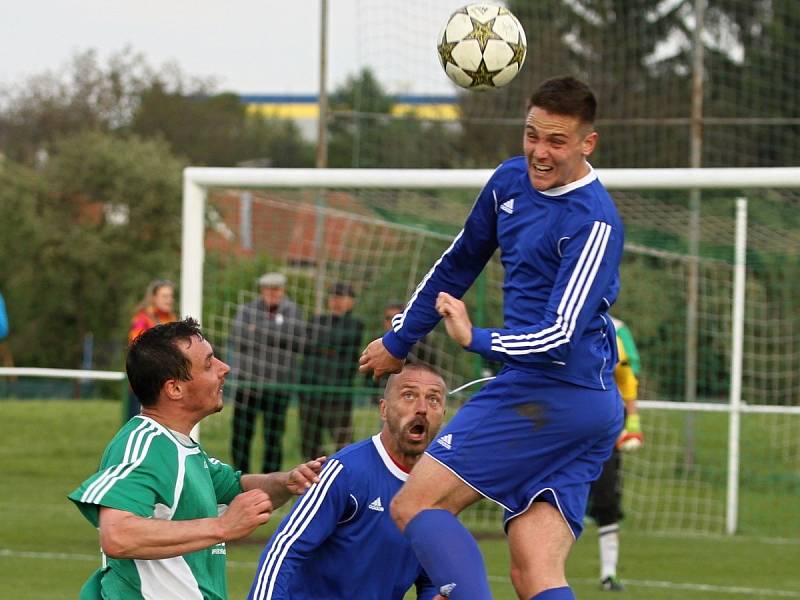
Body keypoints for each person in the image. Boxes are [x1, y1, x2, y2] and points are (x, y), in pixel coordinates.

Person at [359, 76, 625, 600]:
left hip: (551, 392)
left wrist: (475, 338)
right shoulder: (509, 181)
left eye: (556, 142)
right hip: (572, 403)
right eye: (532, 135)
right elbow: (457, 263)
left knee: (416, 504)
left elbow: (559, 337)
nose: (540, 153)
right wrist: (399, 339)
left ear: (586, 144)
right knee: (534, 572)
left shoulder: (595, 222)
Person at [68, 318, 325, 600]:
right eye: (208, 364)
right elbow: (117, 535)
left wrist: (287, 482)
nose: (224, 369)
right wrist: (222, 526)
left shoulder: (181, 447)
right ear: (174, 388)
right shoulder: (144, 444)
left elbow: (238, 488)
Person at [248, 363, 447, 600]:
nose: (422, 408)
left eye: (433, 399)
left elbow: (430, 579)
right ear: (383, 409)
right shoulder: (345, 471)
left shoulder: (438, 492)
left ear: (443, 415)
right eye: (409, 396)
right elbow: (284, 550)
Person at [588, 317, 644, 592]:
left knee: (607, 496)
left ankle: (608, 573)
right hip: (564, 421)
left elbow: (626, 373)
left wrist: (632, 420)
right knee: (550, 494)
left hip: (606, 424)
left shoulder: (616, 330)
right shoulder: (556, 320)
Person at [230, 272, 305, 473]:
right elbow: (239, 336)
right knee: (242, 435)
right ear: (262, 290)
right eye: (269, 289)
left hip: (278, 384)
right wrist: (276, 335)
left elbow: (297, 339)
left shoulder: (293, 311)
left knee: (274, 437)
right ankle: (240, 477)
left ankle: (270, 480)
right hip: (249, 383)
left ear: (283, 290)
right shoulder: (246, 310)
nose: (273, 293)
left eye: (277, 289)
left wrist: (258, 330)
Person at [298, 282, 364, 459]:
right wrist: (328, 347)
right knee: (310, 444)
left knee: (343, 442)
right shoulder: (316, 320)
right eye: (334, 297)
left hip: (337, 394)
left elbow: (341, 339)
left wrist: (320, 345)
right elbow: (305, 345)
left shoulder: (355, 324)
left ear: (351, 302)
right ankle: (317, 481)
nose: (337, 301)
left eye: (342, 297)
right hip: (311, 392)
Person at [126, 279, 178, 419]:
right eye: (164, 296)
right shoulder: (142, 319)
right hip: (144, 384)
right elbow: (137, 349)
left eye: (171, 296)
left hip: (166, 385)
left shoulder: (172, 319)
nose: (169, 300)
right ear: (154, 297)